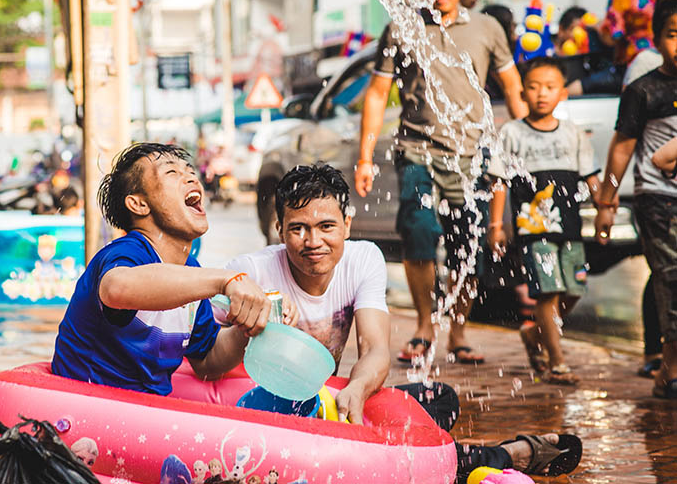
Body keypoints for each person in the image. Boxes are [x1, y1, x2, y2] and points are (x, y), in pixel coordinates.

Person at [227, 164, 582, 481]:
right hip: (267, 413)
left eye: (326, 226)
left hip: (332, 402)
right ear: (279, 228)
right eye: (298, 229)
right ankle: (499, 456)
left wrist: (357, 388)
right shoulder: (251, 272)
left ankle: (445, 458)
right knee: (395, 439)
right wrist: (250, 322)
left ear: (347, 225)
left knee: (440, 399)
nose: (313, 241)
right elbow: (204, 363)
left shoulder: (362, 259)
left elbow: (376, 350)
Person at [355, 0, 526, 365]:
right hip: (417, 149)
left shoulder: (487, 28)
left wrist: (527, 142)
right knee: (418, 229)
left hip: (471, 154)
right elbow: (377, 94)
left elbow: (513, 86)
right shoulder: (402, 28)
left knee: (468, 243)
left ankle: (460, 331)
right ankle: (424, 325)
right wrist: (364, 157)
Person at [51, 142, 297, 395]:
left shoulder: (190, 271)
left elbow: (208, 361)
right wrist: (226, 280)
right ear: (138, 204)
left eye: (190, 170)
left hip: (149, 413)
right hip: (86, 405)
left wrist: (249, 326)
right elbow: (117, 288)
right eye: (172, 173)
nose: (191, 176)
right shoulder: (125, 253)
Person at [486, 57, 601, 385]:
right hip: (533, 230)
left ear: (562, 93)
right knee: (547, 293)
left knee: (574, 289)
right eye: (534, 87)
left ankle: (535, 332)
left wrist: (605, 204)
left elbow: (591, 176)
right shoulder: (511, 133)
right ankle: (557, 361)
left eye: (549, 88)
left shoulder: (573, 134)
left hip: (570, 228)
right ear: (522, 92)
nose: (541, 94)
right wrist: (497, 226)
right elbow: (499, 182)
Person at [595, 0, 677, 400]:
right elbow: (622, 149)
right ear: (658, 39)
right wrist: (607, 204)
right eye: (674, 34)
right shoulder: (645, 91)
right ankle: (670, 367)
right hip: (658, 199)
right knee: (670, 278)